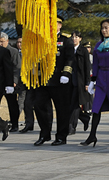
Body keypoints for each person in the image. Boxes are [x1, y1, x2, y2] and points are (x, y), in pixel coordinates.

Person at [81, 19, 109, 147]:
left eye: (106, 28)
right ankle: (92, 135)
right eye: (102, 28)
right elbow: (95, 63)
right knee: (96, 108)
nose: (104, 30)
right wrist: (93, 80)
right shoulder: (98, 45)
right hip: (101, 78)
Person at [33, 17, 74, 146]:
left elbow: (70, 58)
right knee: (40, 108)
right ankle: (44, 134)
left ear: (59, 25)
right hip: (43, 80)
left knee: (62, 110)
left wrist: (66, 73)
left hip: (59, 80)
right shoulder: (41, 39)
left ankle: (61, 136)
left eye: (53, 23)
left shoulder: (65, 40)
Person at [69, 30, 92, 136]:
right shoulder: (68, 49)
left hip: (80, 81)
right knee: (71, 104)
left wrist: (87, 82)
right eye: (73, 37)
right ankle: (84, 118)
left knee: (74, 104)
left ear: (80, 39)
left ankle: (72, 127)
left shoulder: (83, 51)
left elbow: (87, 67)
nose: (74, 39)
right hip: (69, 81)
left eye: (77, 37)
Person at [0, 33, 21, 132]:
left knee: (12, 104)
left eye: (2, 41)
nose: (0, 43)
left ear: (7, 41)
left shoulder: (13, 51)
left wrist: (14, 81)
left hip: (10, 82)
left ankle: (14, 124)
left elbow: (17, 68)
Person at [15, 36, 35, 133]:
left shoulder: (29, 53)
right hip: (18, 81)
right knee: (23, 102)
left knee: (25, 103)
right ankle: (25, 122)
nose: (19, 44)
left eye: (21, 42)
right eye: (18, 42)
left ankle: (28, 122)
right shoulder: (15, 53)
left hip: (28, 81)